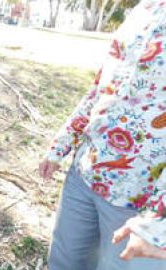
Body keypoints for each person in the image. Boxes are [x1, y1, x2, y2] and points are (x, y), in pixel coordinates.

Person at [39, 0, 166, 269]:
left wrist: (159, 220)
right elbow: (102, 88)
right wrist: (62, 143)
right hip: (85, 172)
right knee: (65, 261)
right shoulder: (143, 9)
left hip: (140, 203)